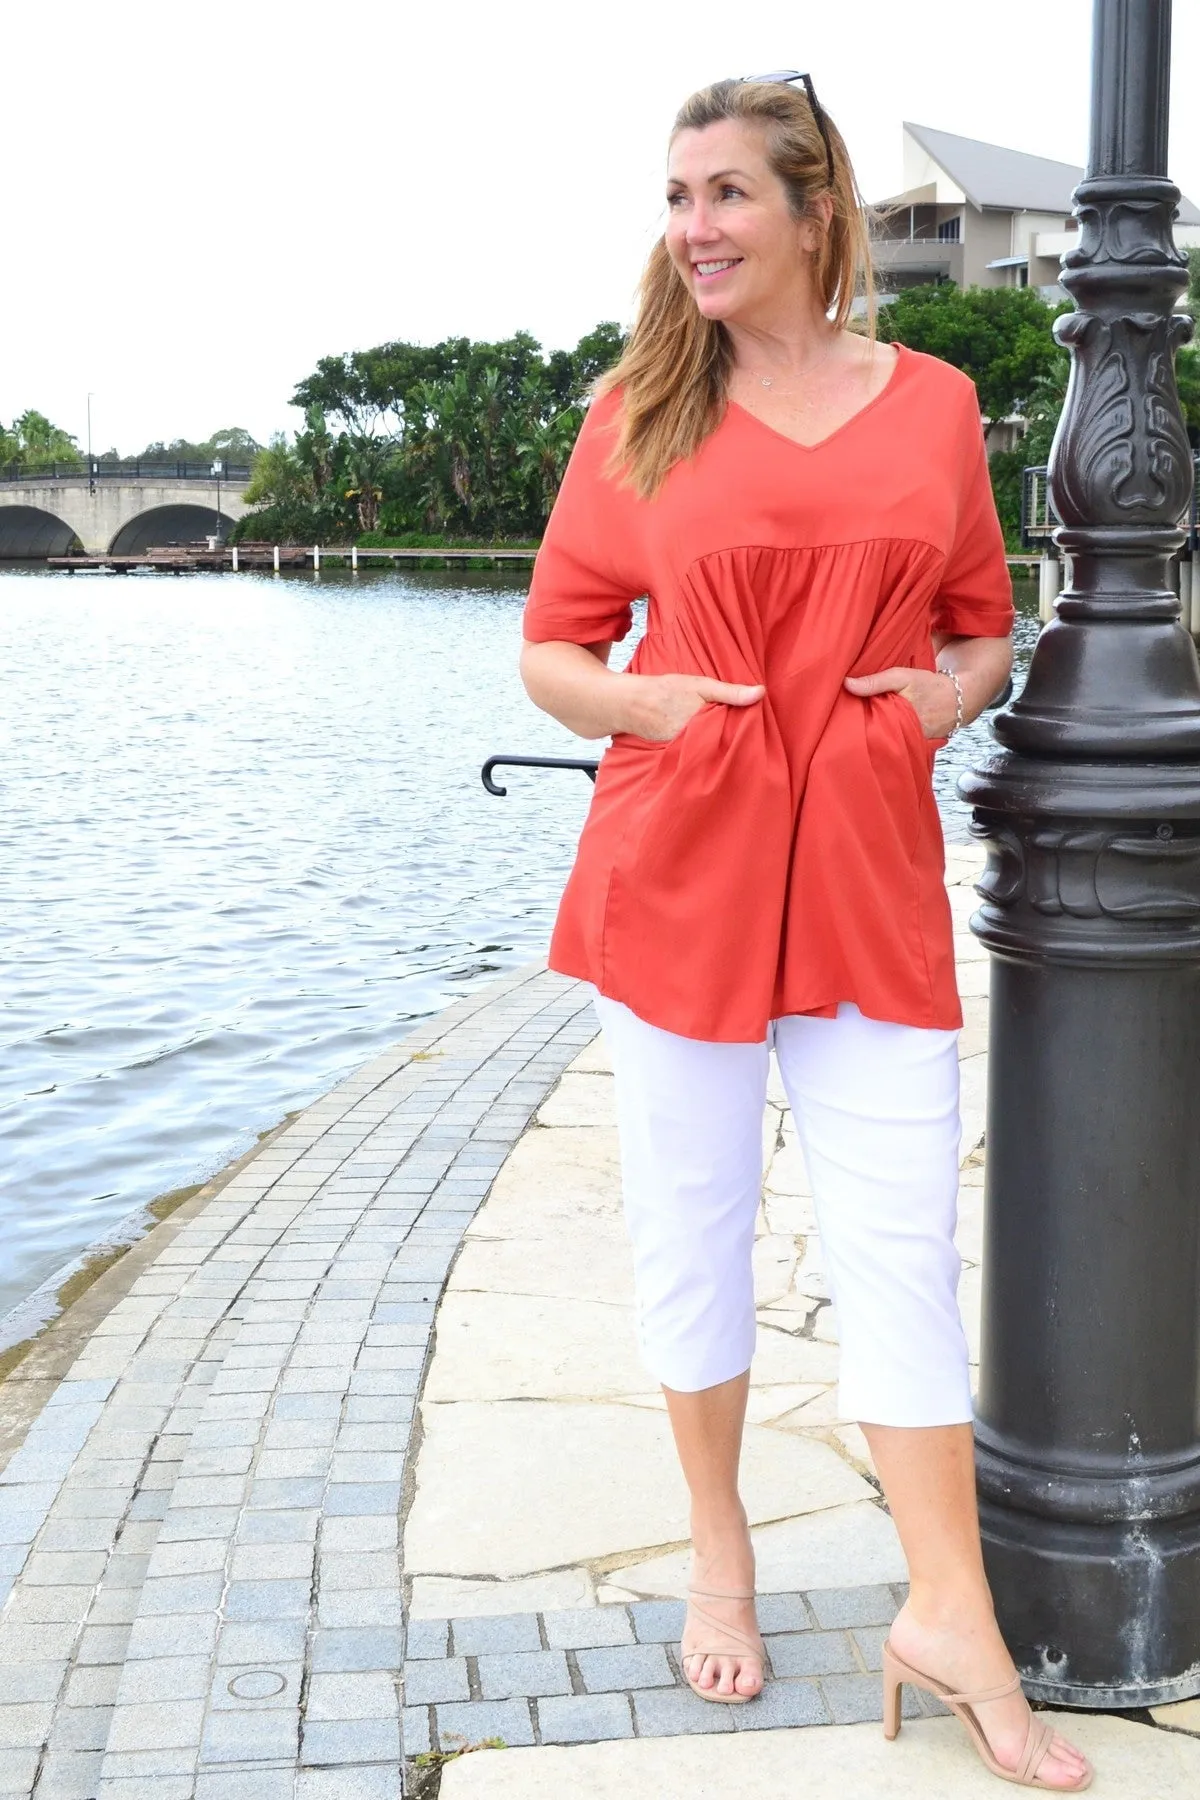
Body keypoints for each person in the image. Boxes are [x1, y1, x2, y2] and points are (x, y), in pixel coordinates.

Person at [519, 73, 1091, 1793]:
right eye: (677, 195)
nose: (692, 226)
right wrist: (653, 706)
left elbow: (987, 626)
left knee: (901, 1249)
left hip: (862, 870)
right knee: (696, 1238)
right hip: (677, 863)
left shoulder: (934, 405)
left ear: (814, 210)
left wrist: (944, 699)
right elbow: (552, 648)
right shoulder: (636, 414)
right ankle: (720, 1549)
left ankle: (951, 1615)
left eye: (726, 195)